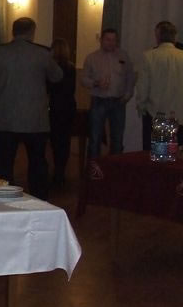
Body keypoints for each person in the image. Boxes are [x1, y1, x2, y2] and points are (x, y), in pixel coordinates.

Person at [0, 17, 62, 201]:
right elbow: (57, 76)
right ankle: (39, 200)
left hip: (4, 118)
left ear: (13, 31)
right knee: (37, 164)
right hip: (35, 120)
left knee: (3, 165)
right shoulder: (42, 53)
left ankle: (1, 199)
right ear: (32, 32)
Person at [82, 28, 135, 159]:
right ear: (101, 40)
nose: (111, 43)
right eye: (108, 40)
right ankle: (94, 168)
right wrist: (96, 83)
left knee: (117, 138)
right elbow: (83, 79)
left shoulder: (123, 56)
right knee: (95, 137)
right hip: (99, 100)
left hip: (118, 101)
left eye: (114, 40)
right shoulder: (92, 58)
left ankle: (114, 168)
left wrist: (128, 93)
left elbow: (130, 76)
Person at [136, 21, 183, 150]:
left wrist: (141, 106)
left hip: (157, 113)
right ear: (175, 36)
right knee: (178, 156)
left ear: (157, 36)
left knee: (160, 155)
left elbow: (143, 86)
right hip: (180, 115)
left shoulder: (149, 56)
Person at [47, 38, 77, 186]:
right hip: (68, 107)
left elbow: (49, 89)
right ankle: (60, 171)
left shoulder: (51, 69)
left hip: (54, 108)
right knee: (64, 142)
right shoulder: (71, 68)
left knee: (55, 141)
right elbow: (71, 89)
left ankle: (56, 171)